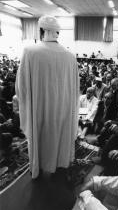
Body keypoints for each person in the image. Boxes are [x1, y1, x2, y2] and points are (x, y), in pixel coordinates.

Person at [16, 15, 79, 179]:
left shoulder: (30, 51)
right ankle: (59, 166)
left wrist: (27, 104)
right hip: (63, 110)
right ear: (57, 32)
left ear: (41, 30)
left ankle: (37, 170)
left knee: (39, 140)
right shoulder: (71, 57)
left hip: (40, 109)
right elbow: (75, 90)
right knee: (60, 138)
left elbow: (21, 86)